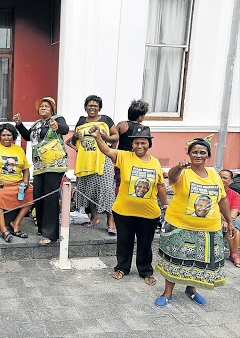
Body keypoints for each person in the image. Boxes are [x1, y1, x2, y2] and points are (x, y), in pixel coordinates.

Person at [155, 136, 235, 307]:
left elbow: (222, 199)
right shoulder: (183, 172)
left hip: (208, 229)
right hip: (180, 227)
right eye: (195, 152)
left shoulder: (214, 175)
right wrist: (178, 166)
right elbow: (172, 177)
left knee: (199, 262)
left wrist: (230, 221)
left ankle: (191, 290)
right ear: (189, 154)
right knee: (175, 259)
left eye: (202, 152)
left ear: (208, 156)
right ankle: (167, 292)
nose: (198, 155)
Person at [89, 125, 168, 285]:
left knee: (145, 244)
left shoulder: (155, 163)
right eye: (136, 143)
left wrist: (165, 206)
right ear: (132, 145)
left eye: (143, 143)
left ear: (149, 144)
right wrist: (98, 137)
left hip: (149, 213)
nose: (139, 146)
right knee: (124, 241)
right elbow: (106, 150)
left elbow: (160, 186)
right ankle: (122, 268)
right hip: (124, 211)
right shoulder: (124, 156)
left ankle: (145, 271)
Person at [13, 97, 69, 245]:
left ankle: (50, 234)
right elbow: (27, 137)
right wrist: (19, 124)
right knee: (38, 196)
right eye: (41, 106)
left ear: (52, 109)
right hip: (39, 166)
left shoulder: (57, 119)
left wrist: (57, 126)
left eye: (46, 106)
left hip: (55, 164)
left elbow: (65, 129)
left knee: (50, 198)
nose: (43, 108)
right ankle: (42, 228)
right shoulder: (37, 124)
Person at [67, 95, 118, 233]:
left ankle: (110, 222)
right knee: (89, 190)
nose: (92, 108)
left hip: (103, 161)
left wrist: (105, 136)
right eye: (90, 105)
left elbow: (116, 136)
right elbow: (73, 140)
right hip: (86, 161)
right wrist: (74, 136)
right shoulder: (81, 120)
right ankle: (95, 218)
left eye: (95, 105)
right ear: (85, 107)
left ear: (99, 107)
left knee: (107, 190)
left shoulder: (106, 120)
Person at [0, 123, 34, 242]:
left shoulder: (18, 149)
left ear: (13, 136)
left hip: (16, 183)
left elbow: (25, 169)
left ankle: (16, 223)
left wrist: (25, 182)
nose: (6, 137)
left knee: (30, 191)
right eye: (3, 135)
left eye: (9, 135)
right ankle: (4, 230)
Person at [219, 170, 240, 268]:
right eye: (220, 177)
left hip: (229, 220)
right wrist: (224, 220)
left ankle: (234, 254)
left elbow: (234, 212)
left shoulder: (235, 195)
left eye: (225, 178)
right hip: (213, 218)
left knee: (234, 228)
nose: (222, 180)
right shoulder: (211, 192)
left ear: (231, 181)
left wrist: (227, 221)